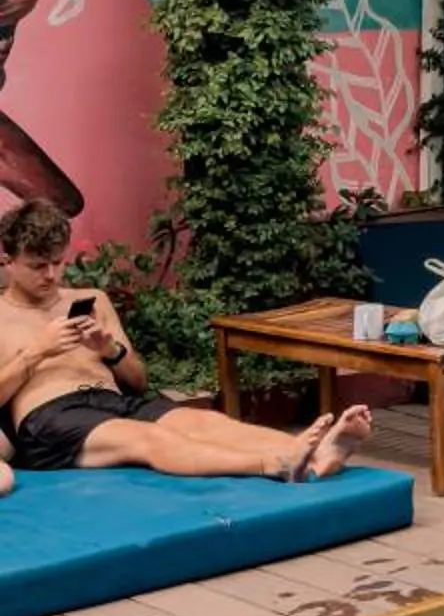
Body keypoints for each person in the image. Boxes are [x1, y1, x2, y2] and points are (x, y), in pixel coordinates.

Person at [0, 199, 370, 483]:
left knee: (202, 422)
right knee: (147, 439)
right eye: (37, 266)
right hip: (50, 418)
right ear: (7, 260)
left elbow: (139, 381)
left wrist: (109, 350)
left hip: (114, 400)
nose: (50, 275)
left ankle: (317, 454)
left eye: (57, 263)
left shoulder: (92, 299)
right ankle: (274, 462)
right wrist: (37, 352)